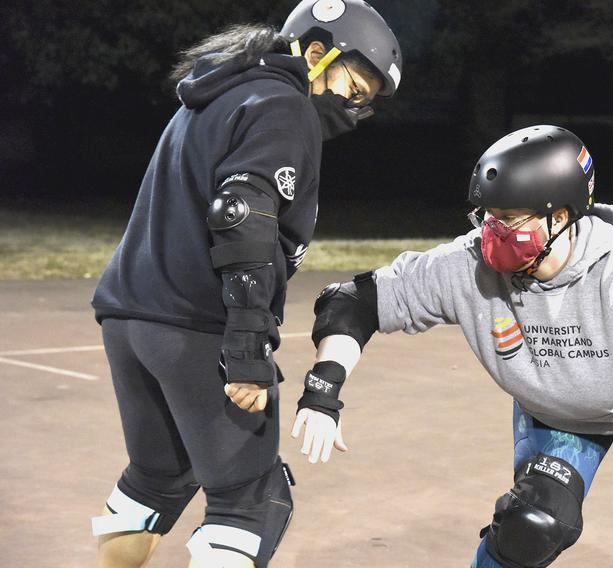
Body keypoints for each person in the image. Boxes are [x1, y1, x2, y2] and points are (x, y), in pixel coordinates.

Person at [283, 125, 613, 567]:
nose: (494, 234)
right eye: (489, 217)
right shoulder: (469, 267)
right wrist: (324, 387)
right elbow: (353, 302)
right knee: (532, 524)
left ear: (564, 216)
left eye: (514, 219)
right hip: (558, 415)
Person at [89, 1, 402, 566]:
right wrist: (248, 348)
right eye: (355, 86)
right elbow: (243, 218)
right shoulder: (285, 106)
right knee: (250, 506)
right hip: (197, 325)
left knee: (156, 483)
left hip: (131, 318)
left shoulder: (220, 93)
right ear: (314, 53)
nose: (356, 108)